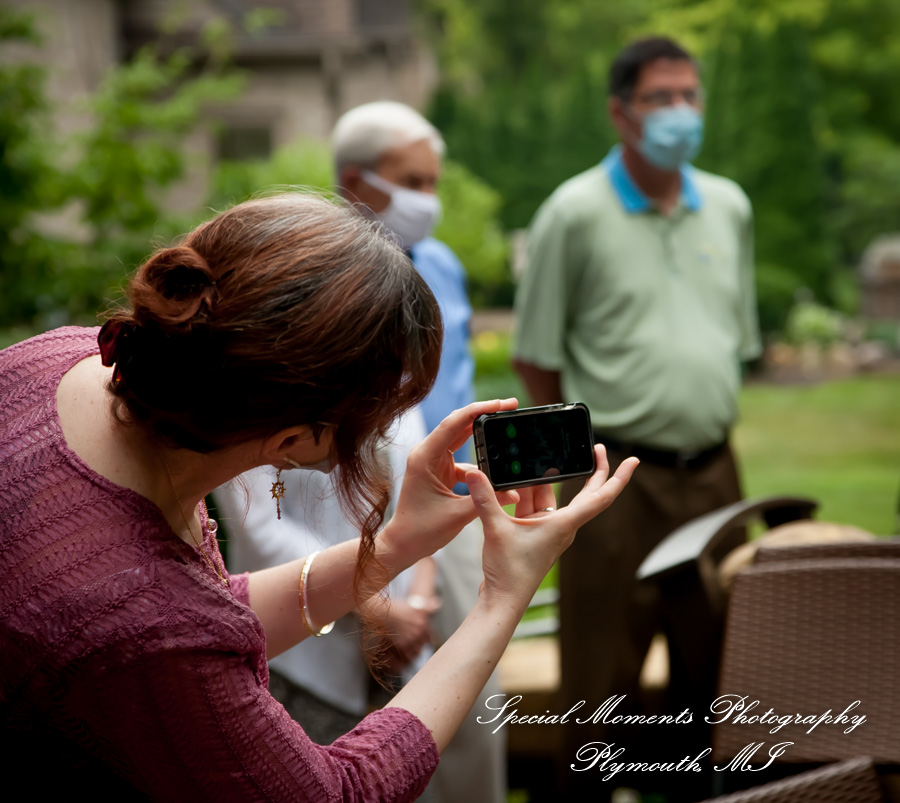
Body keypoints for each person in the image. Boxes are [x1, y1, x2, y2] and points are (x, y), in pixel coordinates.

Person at [0, 192, 638, 800]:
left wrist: (393, 546)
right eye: (377, 420)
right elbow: (338, 791)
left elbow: (206, 616)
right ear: (293, 440)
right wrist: (504, 597)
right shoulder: (146, 625)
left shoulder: (61, 360)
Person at [512, 36, 761, 797]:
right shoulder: (573, 213)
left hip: (716, 472)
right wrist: (577, 472)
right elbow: (536, 360)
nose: (680, 113)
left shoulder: (729, 205)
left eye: (691, 96)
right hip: (614, 477)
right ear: (621, 113)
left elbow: (736, 341)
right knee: (601, 682)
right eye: (661, 98)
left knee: (719, 678)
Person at [331, 102, 497, 803]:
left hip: (452, 498)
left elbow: (451, 384)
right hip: (355, 499)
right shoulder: (327, 275)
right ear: (353, 182)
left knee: (472, 693)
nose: (426, 199)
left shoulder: (442, 265)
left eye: (433, 181)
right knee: (368, 712)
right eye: (409, 180)